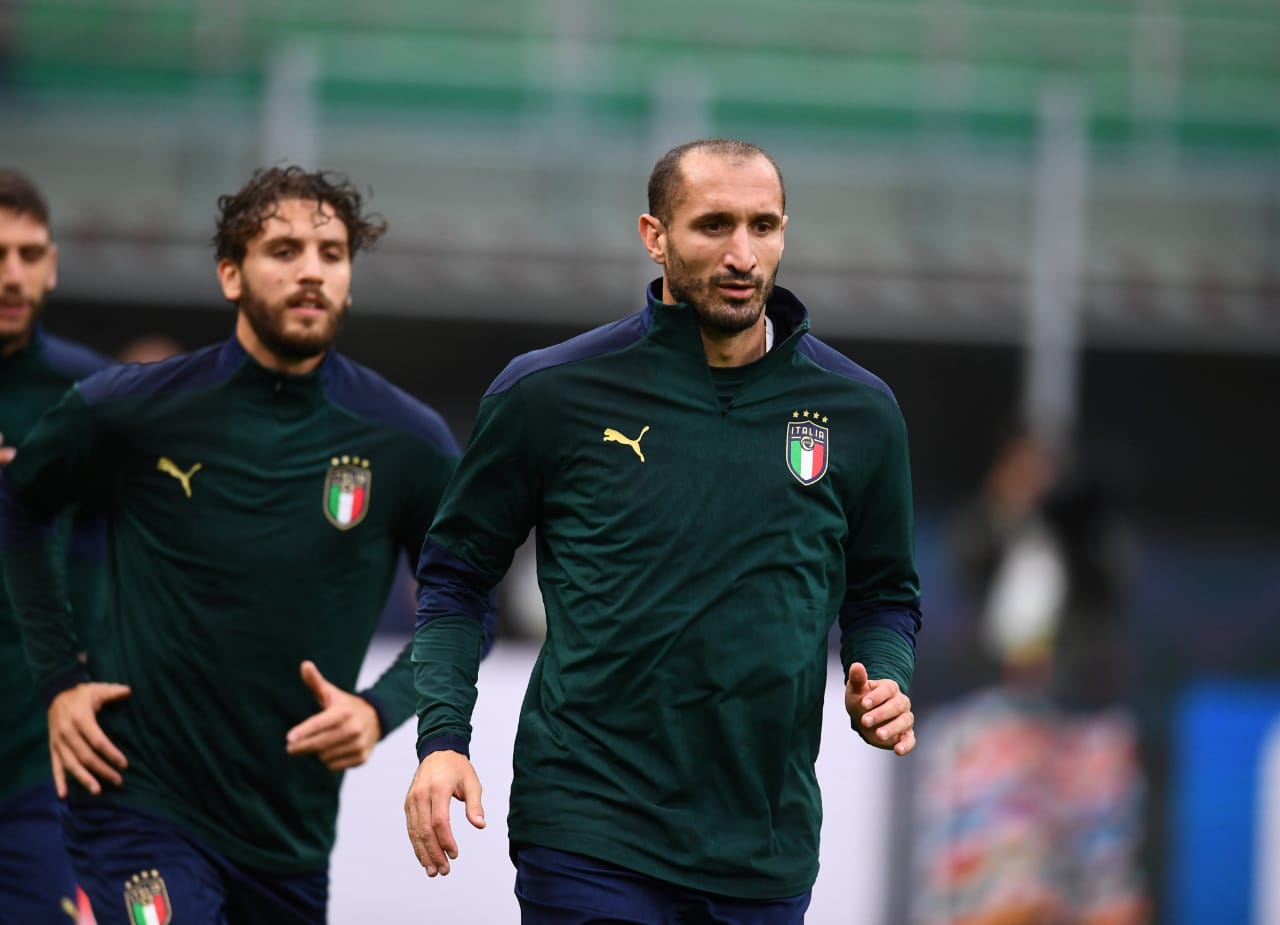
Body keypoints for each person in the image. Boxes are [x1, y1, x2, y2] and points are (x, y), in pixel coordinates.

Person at [404, 138, 922, 923]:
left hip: (763, 845)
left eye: (762, 225)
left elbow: (884, 594)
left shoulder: (860, 411)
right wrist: (443, 738)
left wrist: (884, 678)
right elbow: (456, 576)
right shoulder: (551, 391)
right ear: (655, 235)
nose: (742, 253)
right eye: (713, 225)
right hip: (588, 826)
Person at [0, 166, 490, 924]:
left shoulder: (406, 439)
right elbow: (20, 505)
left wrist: (379, 710)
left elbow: (467, 602)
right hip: (138, 804)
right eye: (284, 250)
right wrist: (60, 679)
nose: (311, 270)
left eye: (331, 253)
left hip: (286, 837)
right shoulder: (132, 408)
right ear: (230, 274)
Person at [909, 432, 1149, 925]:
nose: (1034, 480)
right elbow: (966, 556)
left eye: (1045, 470)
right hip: (1000, 716)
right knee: (1005, 871)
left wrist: (1070, 516)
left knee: (1095, 876)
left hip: (1077, 718)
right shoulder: (993, 528)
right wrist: (1009, 507)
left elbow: (1115, 581)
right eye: (1021, 469)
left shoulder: (1086, 535)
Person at [0, 168, 111, 925]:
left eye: (30, 254)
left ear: (54, 265)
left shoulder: (91, 397)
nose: (13, 274)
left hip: (36, 772)